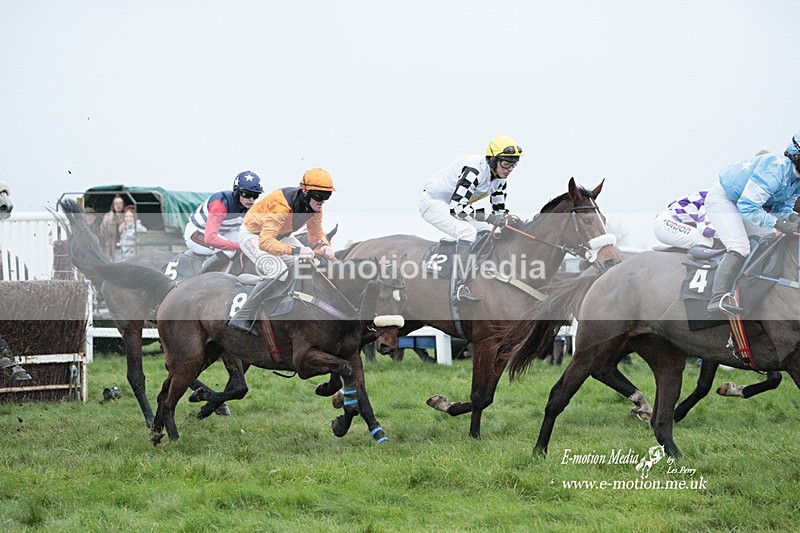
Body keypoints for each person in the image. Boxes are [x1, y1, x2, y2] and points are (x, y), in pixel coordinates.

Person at [228, 168, 337, 334]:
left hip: (279, 236)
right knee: (278, 271)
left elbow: (316, 235)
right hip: (253, 236)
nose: (322, 201)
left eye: (327, 196)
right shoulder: (281, 206)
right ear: (305, 191)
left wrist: (325, 245)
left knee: (310, 262)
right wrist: (297, 251)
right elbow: (265, 243)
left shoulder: (316, 208)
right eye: (319, 196)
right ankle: (242, 315)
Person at [704, 130, 800, 315]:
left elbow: (784, 208)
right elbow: (748, 207)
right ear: (797, 155)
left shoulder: (796, 178)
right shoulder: (775, 169)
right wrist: (779, 224)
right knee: (739, 246)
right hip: (724, 200)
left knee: (773, 239)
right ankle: (718, 298)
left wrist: (792, 220)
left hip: (744, 203)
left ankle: (750, 287)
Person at [419, 135, 523, 303]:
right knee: (467, 232)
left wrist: (507, 220)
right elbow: (457, 209)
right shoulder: (474, 170)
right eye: (505, 163)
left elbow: (499, 212)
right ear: (492, 159)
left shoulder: (500, 180)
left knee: (489, 231)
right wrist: (490, 217)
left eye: (513, 164)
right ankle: (459, 287)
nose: (509, 169)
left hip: (454, 205)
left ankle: (477, 272)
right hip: (434, 203)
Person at [183, 170, 264, 274]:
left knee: (249, 241)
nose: (251, 199)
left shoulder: (250, 207)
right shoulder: (220, 204)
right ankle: (200, 278)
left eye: (256, 195)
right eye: (247, 194)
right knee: (230, 250)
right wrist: (239, 246)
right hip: (197, 233)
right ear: (237, 191)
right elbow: (210, 238)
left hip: (222, 233)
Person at [653, 191, 717, 250]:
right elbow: (707, 231)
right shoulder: (713, 201)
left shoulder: (717, 196)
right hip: (666, 222)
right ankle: (704, 262)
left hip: (674, 220)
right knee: (706, 241)